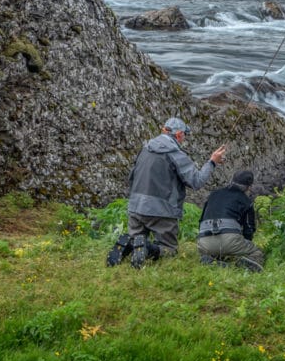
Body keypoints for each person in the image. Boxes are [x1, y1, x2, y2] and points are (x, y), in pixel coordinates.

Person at [106, 116, 226, 269]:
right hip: (162, 211)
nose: (184, 139)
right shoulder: (175, 154)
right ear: (178, 135)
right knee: (169, 249)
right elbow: (196, 181)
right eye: (184, 135)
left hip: (136, 207)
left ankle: (128, 244)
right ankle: (148, 248)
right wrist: (212, 162)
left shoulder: (144, 149)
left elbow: (132, 177)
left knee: (138, 240)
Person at [196, 169, 264, 272]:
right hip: (229, 240)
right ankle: (242, 267)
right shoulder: (246, 201)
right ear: (249, 187)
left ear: (231, 180)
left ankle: (214, 260)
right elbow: (249, 229)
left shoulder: (213, 195)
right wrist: (244, 243)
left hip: (204, 242)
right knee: (257, 252)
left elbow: (201, 219)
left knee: (221, 249)